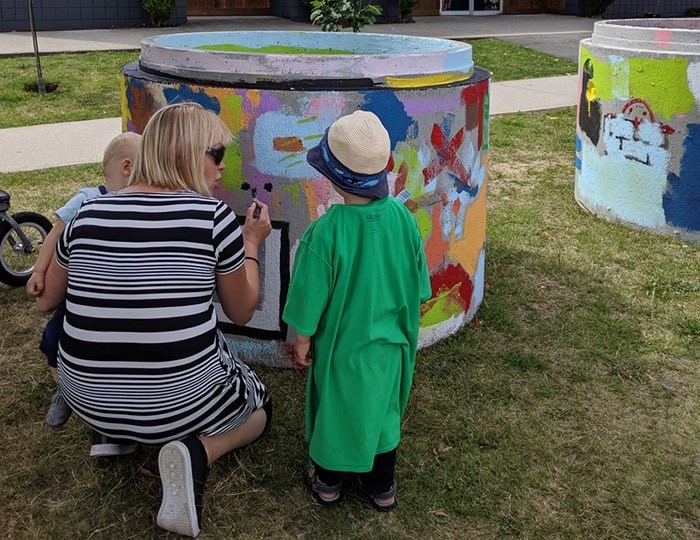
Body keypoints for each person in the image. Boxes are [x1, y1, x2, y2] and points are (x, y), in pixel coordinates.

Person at [35, 102, 272, 538]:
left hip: (86, 399)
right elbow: (240, 311)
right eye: (217, 154)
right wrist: (252, 242)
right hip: (176, 407)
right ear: (185, 154)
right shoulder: (214, 219)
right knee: (257, 405)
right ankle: (197, 452)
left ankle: (119, 431)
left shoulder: (85, 215)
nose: (223, 167)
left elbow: (47, 299)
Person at [282, 110, 432, 511]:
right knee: (383, 412)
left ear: (330, 177)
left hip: (342, 350)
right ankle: (382, 488)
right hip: (392, 347)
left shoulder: (325, 232)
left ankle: (328, 483)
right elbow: (419, 283)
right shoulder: (402, 217)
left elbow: (308, 300)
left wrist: (301, 341)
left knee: (335, 408)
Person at [27, 131, 141, 436]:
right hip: (79, 294)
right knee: (54, 338)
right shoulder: (88, 198)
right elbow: (55, 233)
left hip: (118, 297)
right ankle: (66, 388)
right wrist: (39, 271)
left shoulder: (142, 201)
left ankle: (109, 402)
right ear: (128, 167)